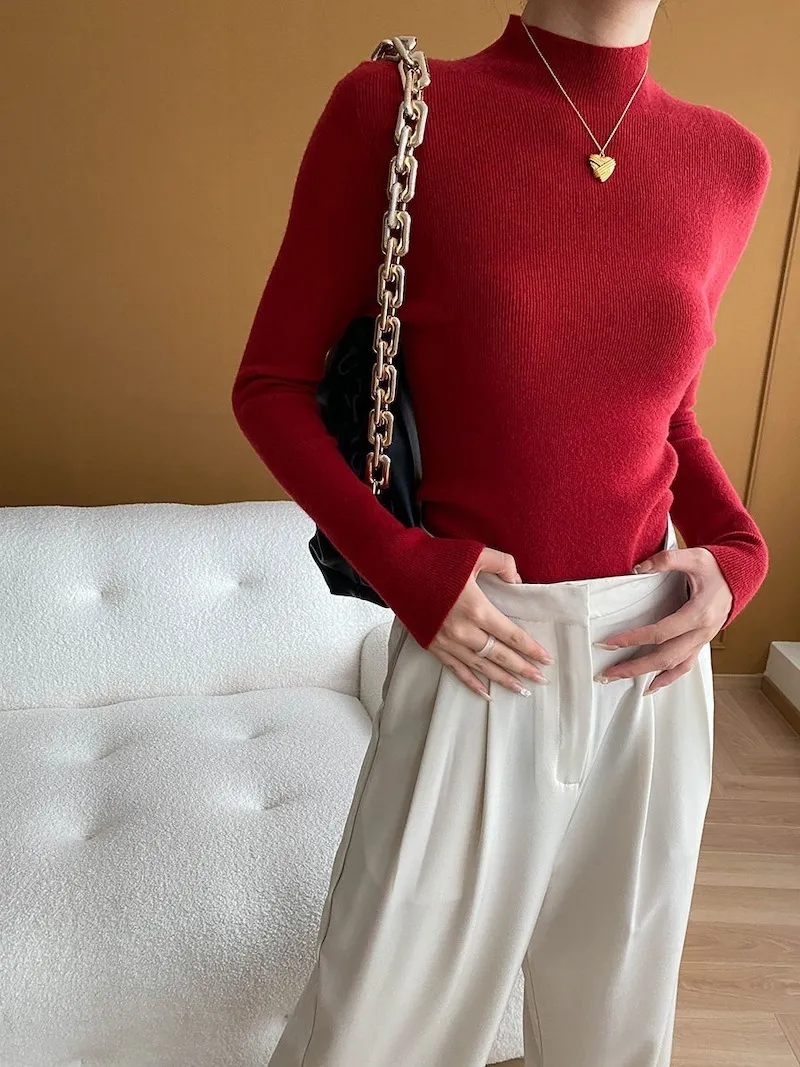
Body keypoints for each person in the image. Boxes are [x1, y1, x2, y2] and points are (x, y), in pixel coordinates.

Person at [230, 1, 771, 1064]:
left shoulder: (728, 161)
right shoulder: (394, 110)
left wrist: (737, 552)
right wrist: (408, 570)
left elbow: (667, 414)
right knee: (376, 1034)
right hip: (477, 646)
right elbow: (271, 385)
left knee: (613, 1033)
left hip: (655, 666)